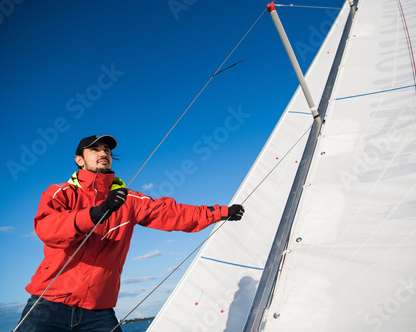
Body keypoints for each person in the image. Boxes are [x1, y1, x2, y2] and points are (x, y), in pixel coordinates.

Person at [15, 135, 244, 331]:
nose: (103, 152)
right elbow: (47, 228)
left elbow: (171, 213)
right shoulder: (62, 192)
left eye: (106, 149)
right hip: (47, 306)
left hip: (98, 311)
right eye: (95, 149)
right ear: (79, 160)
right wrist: (95, 214)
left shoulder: (128, 200)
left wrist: (220, 212)